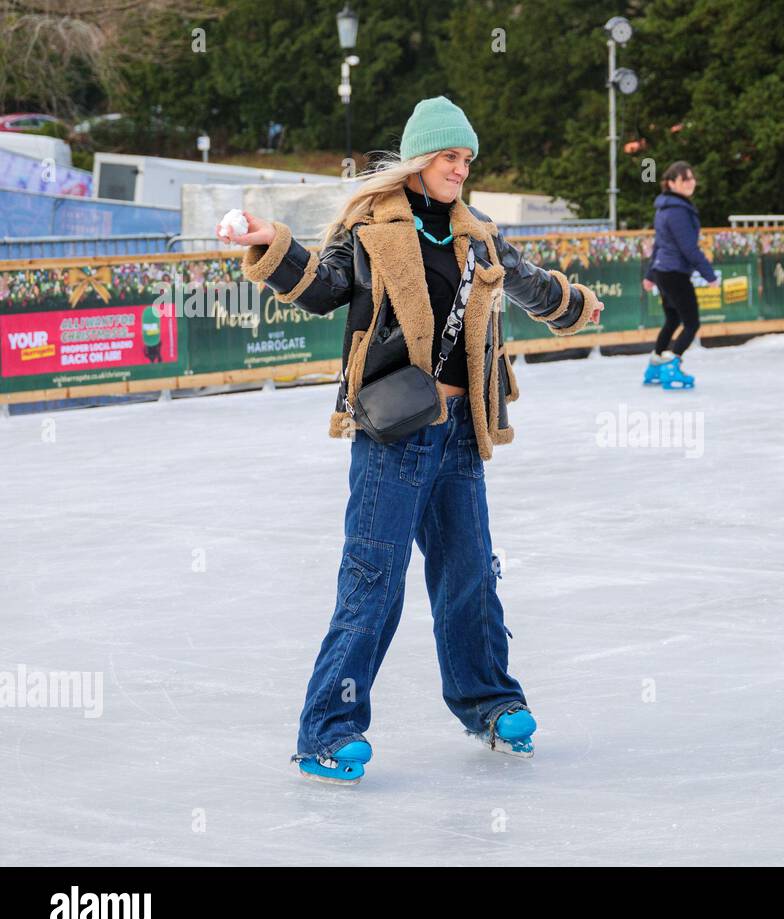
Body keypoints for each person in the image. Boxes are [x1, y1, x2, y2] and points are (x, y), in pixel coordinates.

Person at [220, 96, 603, 784]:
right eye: (449, 158)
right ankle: (328, 731)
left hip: (460, 434)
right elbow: (324, 286)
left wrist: (572, 305)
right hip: (394, 434)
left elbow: (528, 283)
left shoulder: (478, 234)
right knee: (373, 581)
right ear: (420, 161)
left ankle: (487, 701)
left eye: (466, 160)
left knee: (470, 574)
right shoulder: (371, 229)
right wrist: (268, 244)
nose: (460, 170)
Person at [641, 161, 717, 389]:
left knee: (673, 319)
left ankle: (655, 365)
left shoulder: (665, 208)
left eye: (692, 178)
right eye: (685, 179)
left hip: (664, 272)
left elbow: (659, 245)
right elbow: (688, 248)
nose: (691, 183)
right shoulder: (677, 211)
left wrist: (650, 275)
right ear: (672, 183)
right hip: (674, 273)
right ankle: (671, 366)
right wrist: (709, 275)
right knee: (692, 323)